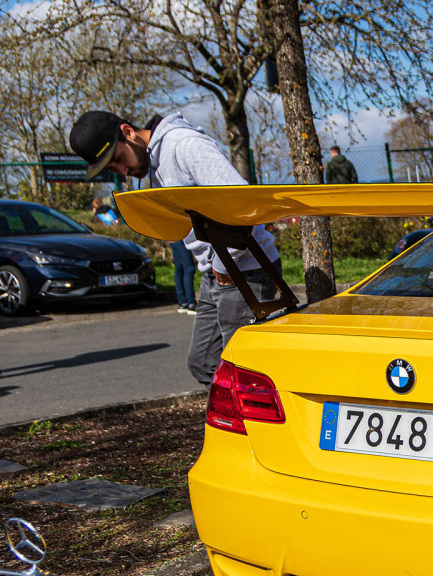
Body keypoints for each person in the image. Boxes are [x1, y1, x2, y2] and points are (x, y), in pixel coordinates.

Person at [69, 109, 281, 387]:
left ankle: (261, 423)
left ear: (128, 132)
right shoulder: (156, 158)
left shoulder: (184, 145)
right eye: (113, 169)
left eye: (119, 159)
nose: (124, 171)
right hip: (217, 272)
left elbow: (240, 204)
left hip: (247, 269)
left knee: (240, 373)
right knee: (204, 363)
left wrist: (222, 262)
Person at [171, 240, 197, 314]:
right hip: (180, 238)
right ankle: (191, 303)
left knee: (179, 269)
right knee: (189, 268)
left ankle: (183, 302)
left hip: (173, 238)